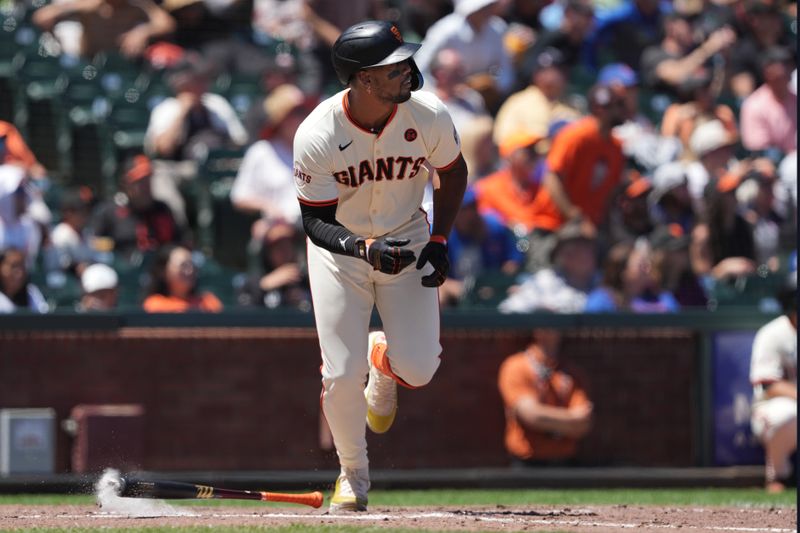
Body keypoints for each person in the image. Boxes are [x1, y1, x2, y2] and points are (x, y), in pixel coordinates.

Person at [293, 21, 467, 511]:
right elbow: (315, 220)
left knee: (419, 368)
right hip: (339, 253)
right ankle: (352, 474)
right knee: (340, 374)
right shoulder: (318, 132)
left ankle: (382, 361)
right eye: (394, 67)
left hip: (407, 238)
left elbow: (453, 173)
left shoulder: (428, 114)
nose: (408, 70)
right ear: (364, 80)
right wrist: (361, 246)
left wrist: (439, 237)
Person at [526, 83, 627, 272]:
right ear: (600, 109)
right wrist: (575, 216)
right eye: (618, 105)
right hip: (554, 227)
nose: (624, 110)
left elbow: (609, 194)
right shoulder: (576, 136)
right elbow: (551, 177)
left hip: (588, 233)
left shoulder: (616, 147)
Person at [144, 54, 248, 224]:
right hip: (185, 169)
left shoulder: (216, 104)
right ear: (180, 82)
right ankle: (178, 231)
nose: (204, 84)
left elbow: (239, 141)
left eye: (204, 79)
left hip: (220, 168)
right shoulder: (167, 108)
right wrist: (183, 110)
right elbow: (163, 148)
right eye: (197, 80)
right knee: (159, 174)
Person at [497, 328, 593, 465]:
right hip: (527, 464)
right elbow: (532, 416)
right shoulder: (516, 366)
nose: (553, 329)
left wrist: (547, 419)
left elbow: (583, 422)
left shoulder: (572, 371)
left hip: (566, 464)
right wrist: (571, 418)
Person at [231, 84, 310, 235]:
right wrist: (268, 206)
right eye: (296, 113)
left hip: (314, 223)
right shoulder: (261, 152)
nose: (303, 118)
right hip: (281, 225)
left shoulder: (315, 150)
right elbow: (239, 196)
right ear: (282, 119)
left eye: (303, 112)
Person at [414, 0, 514, 109]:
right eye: (483, 7)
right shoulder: (445, 30)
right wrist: (438, 92)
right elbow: (420, 66)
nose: (488, 11)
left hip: (481, 101)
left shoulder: (497, 29)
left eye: (489, 6)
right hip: (444, 100)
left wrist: (496, 86)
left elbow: (506, 70)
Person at [438, 186, 523, 307]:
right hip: (457, 291)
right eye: (463, 209)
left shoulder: (494, 227)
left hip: (492, 288)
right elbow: (433, 275)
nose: (469, 213)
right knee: (439, 296)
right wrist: (464, 290)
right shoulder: (442, 234)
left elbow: (512, 261)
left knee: (519, 291)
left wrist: (498, 283)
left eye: (472, 207)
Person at [89, 154, 183, 261]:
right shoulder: (109, 211)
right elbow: (92, 244)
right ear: (126, 184)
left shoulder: (162, 209)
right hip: (122, 272)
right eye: (140, 182)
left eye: (148, 179)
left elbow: (178, 244)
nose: (146, 186)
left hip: (158, 271)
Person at [749, 284, 797, 493]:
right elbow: (768, 385)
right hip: (772, 407)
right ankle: (777, 474)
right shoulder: (773, 333)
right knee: (787, 414)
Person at [498, 220, 598, 314]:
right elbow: (508, 310)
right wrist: (538, 312)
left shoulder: (603, 283)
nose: (584, 255)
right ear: (560, 254)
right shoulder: (544, 281)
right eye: (576, 249)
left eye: (587, 248)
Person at [493, 47, 581, 144]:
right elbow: (503, 139)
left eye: (556, 71)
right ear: (536, 74)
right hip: (529, 156)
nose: (550, 76)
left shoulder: (573, 106)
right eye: (545, 71)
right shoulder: (518, 102)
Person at [32, 0, 175, 59]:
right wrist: (76, 8)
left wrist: (142, 32)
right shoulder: (89, 4)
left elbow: (168, 24)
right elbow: (41, 17)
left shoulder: (136, 4)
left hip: (124, 62)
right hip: (88, 61)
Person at [474, 131, 550, 235]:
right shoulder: (487, 188)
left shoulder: (542, 187)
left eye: (535, 151)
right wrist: (510, 225)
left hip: (538, 243)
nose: (534, 155)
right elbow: (484, 223)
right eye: (528, 151)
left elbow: (552, 221)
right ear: (510, 156)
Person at [585, 238, 680, 313]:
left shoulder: (663, 299)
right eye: (642, 265)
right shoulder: (601, 301)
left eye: (648, 263)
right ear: (623, 272)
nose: (648, 268)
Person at [236, 221, 311, 310]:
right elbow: (243, 314)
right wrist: (264, 286)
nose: (285, 251)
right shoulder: (252, 282)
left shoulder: (305, 280)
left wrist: (303, 299)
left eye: (288, 245)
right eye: (278, 247)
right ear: (267, 251)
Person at [739, 47, 797, 155]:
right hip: (772, 164)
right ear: (767, 71)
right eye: (782, 64)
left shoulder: (795, 98)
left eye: (788, 64)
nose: (787, 69)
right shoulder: (753, 105)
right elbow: (759, 150)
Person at [142, 244, 223, 312]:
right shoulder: (154, 305)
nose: (190, 271)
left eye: (192, 265)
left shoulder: (208, 302)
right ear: (164, 271)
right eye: (183, 266)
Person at [46, 187, 97, 277]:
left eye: (88, 210)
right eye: (82, 210)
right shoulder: (60, 235)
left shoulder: (87, 233)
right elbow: (60, 268)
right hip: (62, 286)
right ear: (68, 212)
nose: (86, 214)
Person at [0, 247, 48, 314]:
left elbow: (44, 319)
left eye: (22, 266)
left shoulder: (31, 292)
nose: (20, 273)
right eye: (14, 266)